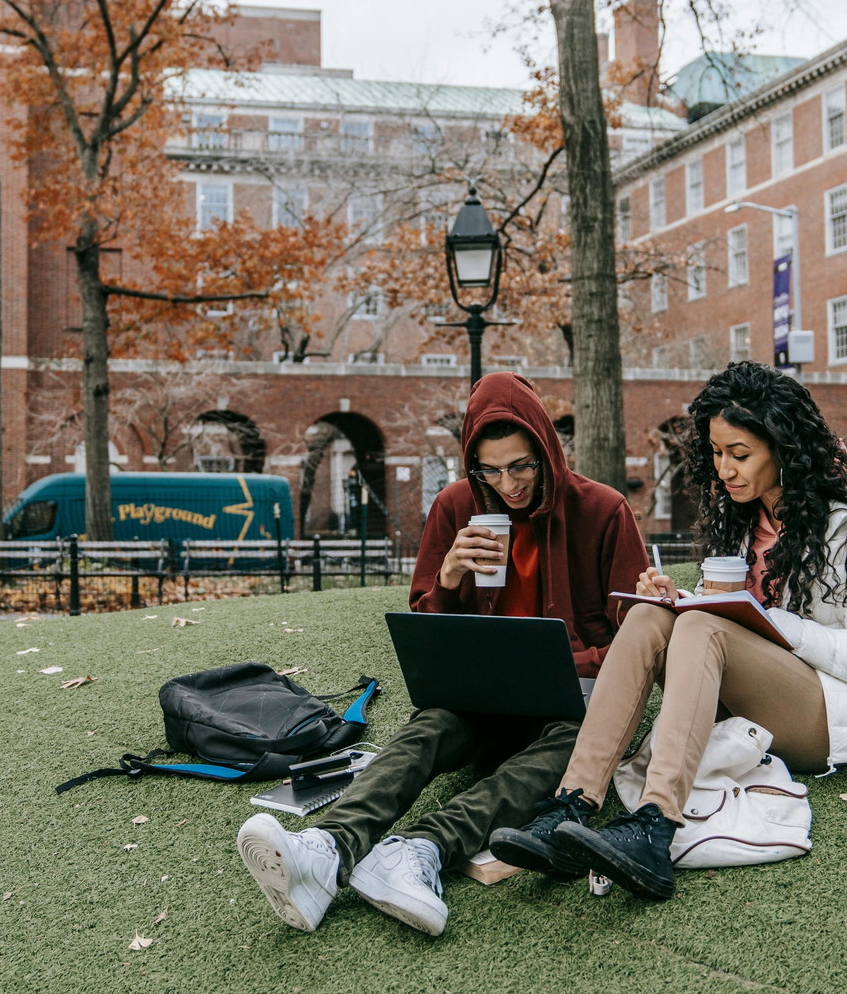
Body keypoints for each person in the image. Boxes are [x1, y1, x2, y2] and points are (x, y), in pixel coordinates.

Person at [235, 372, 648, 936]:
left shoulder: (603, 510)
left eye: (523, 465)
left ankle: (421, 849)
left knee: (570, 746)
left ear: (548, 452)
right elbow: (427, 632)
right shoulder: (455, 506)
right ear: (470, 464)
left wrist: (571, 662)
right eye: (491, 470)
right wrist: (449, 578)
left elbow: (636, 641)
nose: (510, 484)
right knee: (428, 726)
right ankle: (326, 848)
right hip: (482, 699)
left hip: (569, 703)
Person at [491, 361, 847, 899]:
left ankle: (654, 824)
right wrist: (683, 599)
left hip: (830, 710)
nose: (725, 470)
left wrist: (759, 620)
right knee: (652, 615)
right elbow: (732, 619)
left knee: (701, 630)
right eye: (717, 454)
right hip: (748, 693)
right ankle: (571, 804)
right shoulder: (742, 519)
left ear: (785, 448)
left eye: (740, 455)